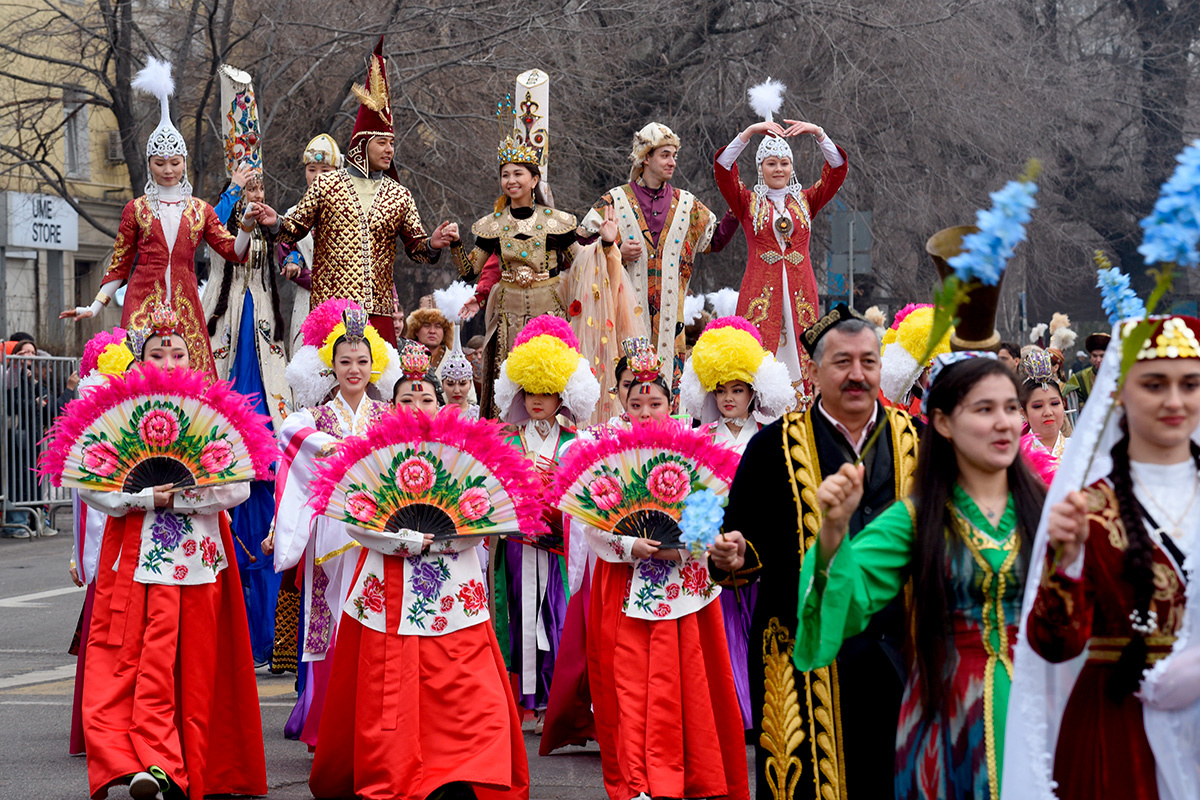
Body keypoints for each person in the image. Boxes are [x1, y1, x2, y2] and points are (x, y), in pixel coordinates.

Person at [756, 352, 1043, 800]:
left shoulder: (1047, 512)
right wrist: (833, 530)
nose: (1003, 422)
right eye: (984, 409)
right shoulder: (916, 519)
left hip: (1041, 713)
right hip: (948, 719)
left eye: (1011, 407)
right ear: (944, 423)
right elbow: (838, 612)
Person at [707, 304, 919, 800]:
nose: (857, 374)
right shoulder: (770, 448)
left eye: (869, 361)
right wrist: (735, 554)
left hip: (899, 650)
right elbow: (740, 540)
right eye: (842, 362)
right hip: (801, 653)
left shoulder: (918, 442)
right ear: (815, 370)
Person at [1004, 315, 1200, 800]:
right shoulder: (1088, 508)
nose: (1174, 401)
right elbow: (1054, 645)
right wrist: (1063, 564)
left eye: (1190, 383)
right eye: (1154, 384)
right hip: (1117, 735)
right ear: (1120, 393)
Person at [76, 305, 266, 800]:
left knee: (196, 669)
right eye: (157, 352)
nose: (167, 359)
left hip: (199, 560)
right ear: (141, 361)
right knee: (137, 661)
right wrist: (143, 498)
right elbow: (92, 483)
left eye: (177, 352)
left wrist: (181, 496)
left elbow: (238, 487)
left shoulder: (212, 412)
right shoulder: (116, 415)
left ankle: (178, 762)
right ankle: (151, 761)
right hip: (136, 560)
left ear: (191, 359)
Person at [581, 345, 750, 800]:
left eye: (654, 403)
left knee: (689, 682)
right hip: (624, 576)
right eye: (635, 404)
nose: (644, 412)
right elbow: (589, 520)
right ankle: (637, 779)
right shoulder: (603, 448)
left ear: (670, 403)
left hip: (684, 582)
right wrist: (627, 543)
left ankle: (695, 776)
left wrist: (687, 548)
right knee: (629, 684)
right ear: (623, 403)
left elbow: (712, 504)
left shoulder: (696, 444)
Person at [250, 37, 461, 344]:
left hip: (379, 309)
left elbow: (417, 250)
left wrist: (434, 243)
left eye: (391, 143)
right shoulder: (327, 184)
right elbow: (295, 229)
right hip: (332, 307)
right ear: (362, 145)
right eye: (382, 143)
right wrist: (276, 222)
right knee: (327, 385)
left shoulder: (398, 194)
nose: (389, 150)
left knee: (382, 384)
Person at [60, 58, 252, 379]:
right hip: (141, 303)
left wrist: (245, 227)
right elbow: (120, 263)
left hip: (186, 303)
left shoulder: (200, 210)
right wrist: (95, 306)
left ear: (184, 163)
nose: (167, 170)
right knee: (137, 376)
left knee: (192, 380)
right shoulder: (135, 209)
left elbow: (234, 251)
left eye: (174, 162)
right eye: (160, 163)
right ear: (150, 163)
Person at [266, 302, 401, 744]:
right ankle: (326, 722)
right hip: (332, 531)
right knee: (328, 618)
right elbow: (290, 434)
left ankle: (369, 723)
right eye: (345, 361)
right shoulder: (316, 417)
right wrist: (334, 446)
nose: (354, 369)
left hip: (376, 529)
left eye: (362, 361)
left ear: (374, 365)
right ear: (332, 366)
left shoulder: (387, 417)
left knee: (371, 616)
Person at [459, 78, 620, 417]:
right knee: (507, 378)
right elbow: (469, 269)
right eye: (505, 175)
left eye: (518, 174)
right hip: (505, 309)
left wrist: (605, 243)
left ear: (534, 180)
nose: (511, 181)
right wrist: (454, 244)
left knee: (549, 376)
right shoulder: (491, 225)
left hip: (549, 305)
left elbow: (580, 263)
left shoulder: (556, 221)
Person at [680, 315, 795, 731]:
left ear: (754, 392)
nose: (729, 398)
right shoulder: (699, 438)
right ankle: (732, 711)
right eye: (722, 390)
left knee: (760, 627)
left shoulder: (770, 437)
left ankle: (760, 708)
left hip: (760, 547)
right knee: (723, 630)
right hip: (716, 550)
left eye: (738, 390)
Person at [578, 122, 740, 404]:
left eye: (674, 155)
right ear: (646, 158)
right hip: (622, 323)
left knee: (667, 400)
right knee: (625, 397)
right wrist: (612, 248)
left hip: (670, 329)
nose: (672, 162)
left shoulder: (687, 205)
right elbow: (578, 248)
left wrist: (738, 208)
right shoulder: (613, 201)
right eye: (665, 155)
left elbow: (714, 241)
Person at [491, 315, 600, 722]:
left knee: (557, 614)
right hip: (517, 548)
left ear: (563, 397)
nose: (537, 400)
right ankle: (521, 697)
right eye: (530, 390)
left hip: (557, 548)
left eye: (548, 391)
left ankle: (556, 697)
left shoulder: (577, 443)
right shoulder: (505, 439)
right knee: (516, 615)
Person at [714, 86, 848, 396]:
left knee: (806, 362)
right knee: (757, 364)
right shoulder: (746, 202)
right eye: (771, 163)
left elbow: (837, 170)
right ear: (761, 168)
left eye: (784, 163)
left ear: (791, 168)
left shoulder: (806, 200)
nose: (779, 169)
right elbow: (722, 169)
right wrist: (749, 133)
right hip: (760, 292)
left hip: (802, 291)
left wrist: (818, 133)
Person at [276, 134, 343, 344]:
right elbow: (284, 255)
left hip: (346, 300)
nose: (317, 176)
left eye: (325, 171)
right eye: (311, 169)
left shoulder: (352, 214)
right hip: (308, 300)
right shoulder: (293, 214)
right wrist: (297, 265)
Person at [1018, 348, 1069, 481]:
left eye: (1054, 404)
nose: (1048, 412)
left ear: (1063, 405)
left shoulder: (1082, 451)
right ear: (1024, 413)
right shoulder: (1015, 457)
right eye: (1037, 406)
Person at [1062, 331, 1110, 412]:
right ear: (1090, 356)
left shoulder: (1121, 376)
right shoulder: (1079, 378)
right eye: (1094, 356)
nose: (1098, 360)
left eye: (1102, 356)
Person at [403, 307, 454, 372]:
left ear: (445, 332)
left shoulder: (453, 359)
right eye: (426, 326)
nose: (432, 331)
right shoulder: (404, 358)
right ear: (416, 331)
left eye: (437, 327)